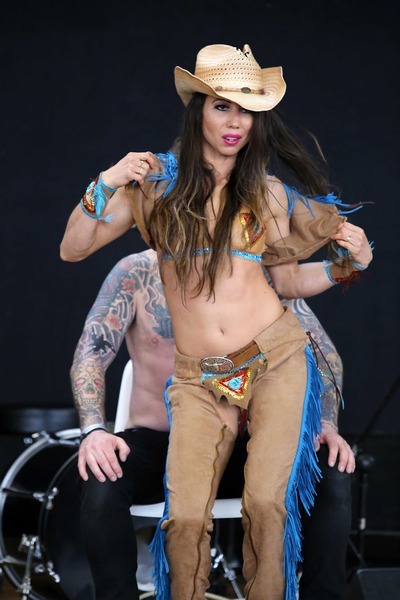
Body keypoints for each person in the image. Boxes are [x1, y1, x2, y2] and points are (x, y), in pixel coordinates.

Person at [61, 43, 373, 600]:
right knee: (183, 519)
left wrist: (348, 264)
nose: (235, 122)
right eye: (222, 106)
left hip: (274, 359)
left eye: (247, 110)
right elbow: (73, 248)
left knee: (268, 505)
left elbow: (288, 283)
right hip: (200, 376)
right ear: (197, 109)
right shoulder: (151, 187)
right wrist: (105, 181)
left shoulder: (267, 193)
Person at [73, 248, 354, 600]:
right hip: (162, 446)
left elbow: (323, 353)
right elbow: (91, 353)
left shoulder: (255, 268)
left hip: (250, 446)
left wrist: (325, 424)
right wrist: (94, 431)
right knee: (100, 473)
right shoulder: (137, 271)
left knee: (332, 466)